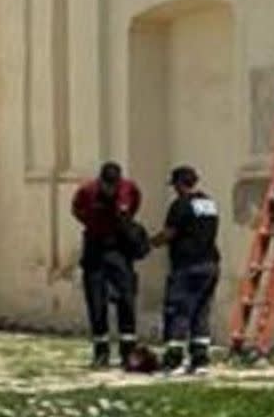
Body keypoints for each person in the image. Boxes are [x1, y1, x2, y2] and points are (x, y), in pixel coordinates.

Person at [150, 164, 220, 375]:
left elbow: (169, 233)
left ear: (180, 184)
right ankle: (200, 359)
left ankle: (175, 359)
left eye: (175, 185)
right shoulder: (209, 204)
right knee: (201, 311)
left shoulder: (180, 205)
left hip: (188, 265)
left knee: (179, 310)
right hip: (211, 264)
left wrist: (150, 243)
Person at [72, 161, 142, 369]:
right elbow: (77, 210)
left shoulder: (128, 188)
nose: (110, 190)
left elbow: (135, 204)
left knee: (126, 298)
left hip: (119, 248)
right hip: (95, 247)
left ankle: (128, 350)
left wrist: (125, 224)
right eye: (107, 185)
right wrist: (92, 224)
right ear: (101, 181)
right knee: (96, 300)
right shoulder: (87, 191)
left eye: (114, 185)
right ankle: (101, 351)